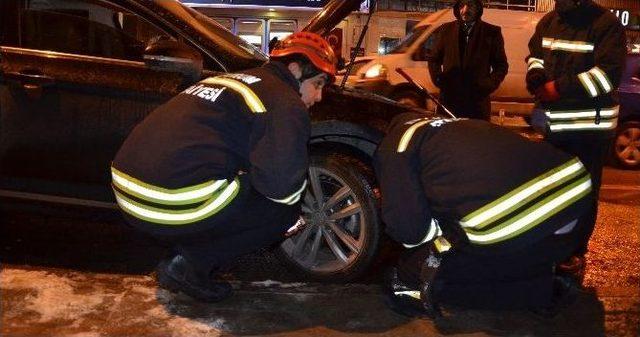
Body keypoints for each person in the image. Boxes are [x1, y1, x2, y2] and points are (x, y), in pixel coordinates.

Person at [110, 32, 337, 302]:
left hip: (126, 191)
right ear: (295, 69)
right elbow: (282, 188)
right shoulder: (285, 101)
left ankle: (190, 241)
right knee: (283, 211)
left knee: (234, 179)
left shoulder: (227, 79)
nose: (319, 96)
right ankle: (189, 264)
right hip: (166, 202)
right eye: (318, 84)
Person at [374, 113, 594, 317]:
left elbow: (410, 232)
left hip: (530, 235)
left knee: (411, 272)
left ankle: (545, 288)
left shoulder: (394, 147)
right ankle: (553, 263)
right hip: (581, 207)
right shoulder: (457, 124)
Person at [525, 0, 626, 278]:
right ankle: (553, 245)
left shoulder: (605, 24)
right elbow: (535, 54)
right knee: (553, 190)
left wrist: (557, 89)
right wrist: (535, 75)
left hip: (589, 130)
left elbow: (608, 76)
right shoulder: (550, 21)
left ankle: (574, 253)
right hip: (555, 127)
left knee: (582, 192)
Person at [427, 0, 508, 121]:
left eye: (470, 5)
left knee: (474, 139)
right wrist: (440, 80)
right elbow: (434, 59)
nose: (465, 10)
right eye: (461, 6)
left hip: (477, 105)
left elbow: (501, 65)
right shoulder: (446, 30)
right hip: (450, 102)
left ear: (478, 8)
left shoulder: (491, 32)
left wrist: (488, 85)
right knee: (448, 138)